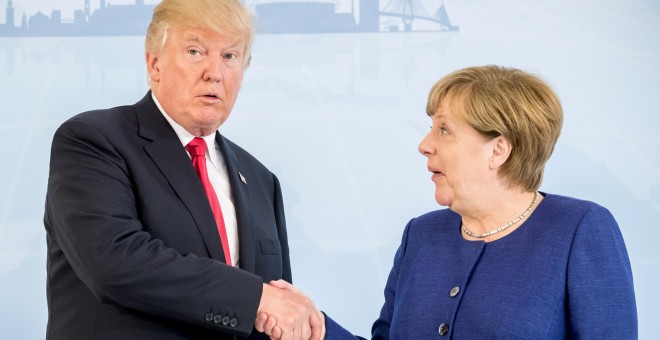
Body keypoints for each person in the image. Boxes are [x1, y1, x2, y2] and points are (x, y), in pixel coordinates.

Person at [258, 65, 638, 339]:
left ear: (498, 150)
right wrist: (315, 329)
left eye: (444, 130)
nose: (425, 145)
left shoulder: (581, 229)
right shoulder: (421, 234)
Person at [43, 0, 322, 339]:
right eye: (195, 51)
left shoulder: (262, 181)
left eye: (230, 56)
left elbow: (276, 314)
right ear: (154, 63)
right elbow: (114, 262)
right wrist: (256, 297)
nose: (214, 72)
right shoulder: (94, 140)